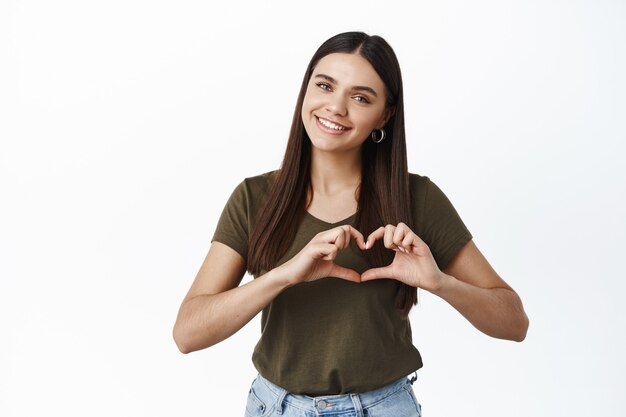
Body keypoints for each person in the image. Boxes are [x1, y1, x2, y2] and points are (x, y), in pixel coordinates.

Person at [173, 31, 529, 417]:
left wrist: (439, 282)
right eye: (324, 85)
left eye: (360, 97)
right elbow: (188, 333)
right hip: (274, 407)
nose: (336, 107)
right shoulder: (254, 197)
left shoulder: (416, 198)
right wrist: (285, 275)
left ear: (385, 115)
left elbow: (514, 322)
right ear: (305, 91)